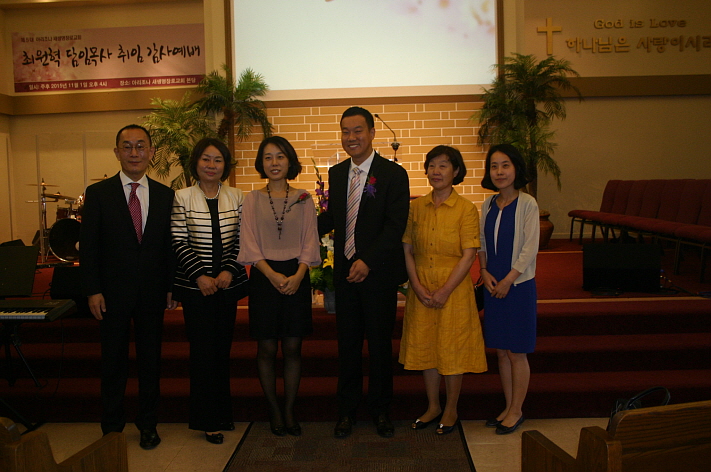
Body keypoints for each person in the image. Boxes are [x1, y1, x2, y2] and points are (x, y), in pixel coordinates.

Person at [80, 124, 175, 450]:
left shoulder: (165, 195)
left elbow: (168, 247)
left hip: (152, 293)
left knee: (150, 363)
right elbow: (89, 247)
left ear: (151, 152)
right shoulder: (98, 194)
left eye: (141, 146)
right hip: (111, 294)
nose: (134, 153)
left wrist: (170, 286)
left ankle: (148, 424)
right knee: (113, 363)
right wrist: (92, 289)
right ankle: (112, 427)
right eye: (127, 146)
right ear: (117, 152)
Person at [318, 106, 410, 438]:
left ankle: (381, 411)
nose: (351, 137)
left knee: (380, 345)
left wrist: (367, 261)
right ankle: (346, 411)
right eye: (345, 131)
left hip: (378, 274)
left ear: (372, 133)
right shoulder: (337, 173)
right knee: (348, 346)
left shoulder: (393, 174)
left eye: (358, 130)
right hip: (345, 276)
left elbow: (395, 225)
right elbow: (333, 218)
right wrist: (296, 226)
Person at [399, 145, 487, 435]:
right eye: (432, 165)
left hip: (454, 288)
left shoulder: (466, 209)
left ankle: (451, 409)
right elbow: (407, 249)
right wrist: (416, 285)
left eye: (443, 165)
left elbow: (469, 254)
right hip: (422, 286)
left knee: (452, 348)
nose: (436, 171)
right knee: (426, 346)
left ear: (456, 171)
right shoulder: (415, 208)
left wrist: (445, 291)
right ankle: (433, 405)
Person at [237, 136, 319, 437]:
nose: (274, 163)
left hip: (297, 274)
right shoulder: (252, 199)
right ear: (261, 163)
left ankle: (289, 410)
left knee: (293, 346)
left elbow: (310, 241)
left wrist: (298, 275)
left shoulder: (304, 198)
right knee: (267, 347)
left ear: (290, 161)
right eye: (268, 157)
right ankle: (273, 409)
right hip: (264, 276)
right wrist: (271, 275)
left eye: (280, 156)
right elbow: (248, 242)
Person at [171, 138, 248, 444]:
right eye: (206, 159)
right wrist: (200, 276)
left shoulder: (237, 196)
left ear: (225, 165)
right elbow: (178, 240)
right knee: (202, 353)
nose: (211, 165)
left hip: (227, 286)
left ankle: (223, 414)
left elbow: (243, 237)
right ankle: (207, 420)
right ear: (196, 162)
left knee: (222, 351)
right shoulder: (182, 196)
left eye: (218, 160)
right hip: (196, 289)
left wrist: (228, 270)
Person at [478, 143, 539, 435]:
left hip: (518, 287)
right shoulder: (488, 204)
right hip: (492, 285)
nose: (499, 172)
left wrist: (508, 280)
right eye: (494, 166)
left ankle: (517, 410)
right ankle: (507, 406)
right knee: (501, 351)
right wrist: (484, 271)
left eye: (505, 165)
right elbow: (481, 242)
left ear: (516, 169)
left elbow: (530, 248)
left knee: (517, 352)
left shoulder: (528, 203)